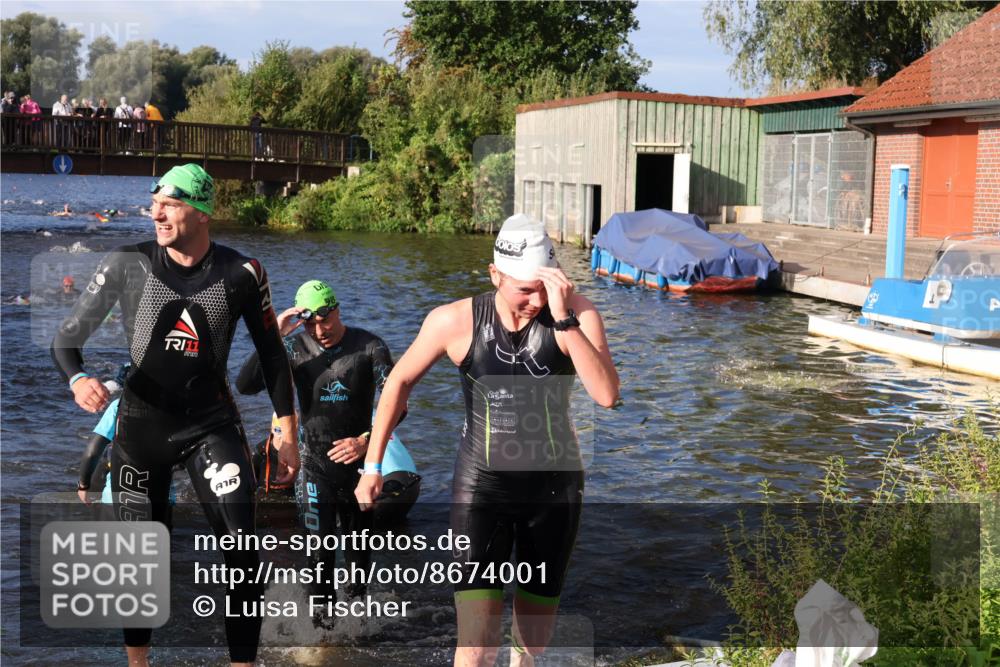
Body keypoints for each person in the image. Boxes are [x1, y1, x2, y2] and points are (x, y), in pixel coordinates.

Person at [51, 163, 299, 667]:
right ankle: (138, 663)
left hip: (209, 426)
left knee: (242, 550)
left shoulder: (242, 273)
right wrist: (78, 379)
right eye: (154, 201)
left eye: (170, 202)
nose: (156, 212)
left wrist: (286, 427)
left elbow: (273, 354)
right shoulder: (127, 263)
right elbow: (66, 339)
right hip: (140, 432)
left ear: (202, 212)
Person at [355, 213, 619, 667]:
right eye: (524, 289)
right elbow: (398, 382)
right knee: (475, 644)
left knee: (529, 647)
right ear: (495, 275)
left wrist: (564, 320)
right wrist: (373, 465)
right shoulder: (455, 320)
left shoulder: (578, 312)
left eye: (544, 285)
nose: (536, 299)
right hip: (482, 489)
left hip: (553, 491)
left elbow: (607, 395)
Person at [235, 279, 403, 627]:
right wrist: (273, 335)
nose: (320, 329)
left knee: (358, 560)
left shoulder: (369, 347)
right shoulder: (295, 349)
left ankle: (356, 631)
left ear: (337, 309)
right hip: (313, 466)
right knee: (320, 554)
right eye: (310, 322)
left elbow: (397, 405)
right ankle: (322, 636)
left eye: (325, 319)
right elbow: (246, 385)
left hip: (359, 468)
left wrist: (366, 442)